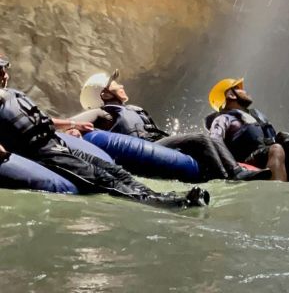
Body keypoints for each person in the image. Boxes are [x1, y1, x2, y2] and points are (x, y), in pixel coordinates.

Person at [0, 54, 208, 207]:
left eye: (5, 69)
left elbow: (40, 119)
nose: (4, 74)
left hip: (55, 142)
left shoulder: (13, 95)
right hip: (39, 152)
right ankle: (163, 203)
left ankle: (156, 194)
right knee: (100, 179)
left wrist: (72, 125)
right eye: (0, 70)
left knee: (114, 171)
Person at [72, 70, 269, 182]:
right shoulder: (103, 112)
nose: (121, 85)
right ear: (104, 95)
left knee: (200, 141)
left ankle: (234, 171)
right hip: (144, 147)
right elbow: (75, 121)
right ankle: (233, 178)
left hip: (158, 145)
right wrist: (71, 129)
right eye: (115, 85)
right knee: (201, 138)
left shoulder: (133, 110)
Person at [205, 78, 288, 182]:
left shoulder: (255, 117)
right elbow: (214, 139)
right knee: (277, 149)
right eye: (240, 89)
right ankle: (275, 192)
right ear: (231, 95)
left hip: (265, 155)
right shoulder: (224, 118)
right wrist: (233, 167)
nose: (245, 91)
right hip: (246, 160)